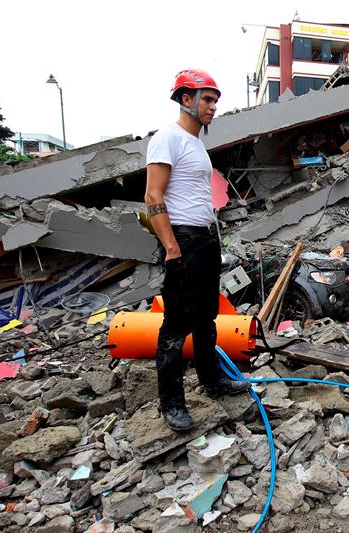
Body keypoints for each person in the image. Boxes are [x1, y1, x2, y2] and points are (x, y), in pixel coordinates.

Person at [145, 68, 249, 432]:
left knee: (207, 317)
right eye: (207, 99)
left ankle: (212, 380)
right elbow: (153, 197)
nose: (213, 107)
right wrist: (171, 249)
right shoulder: (167, 139)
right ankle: (171, 403)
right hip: (183, 240)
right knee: (176, 323)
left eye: (216, 100)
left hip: (205, 239)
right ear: (185, 99)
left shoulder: (196, 144)